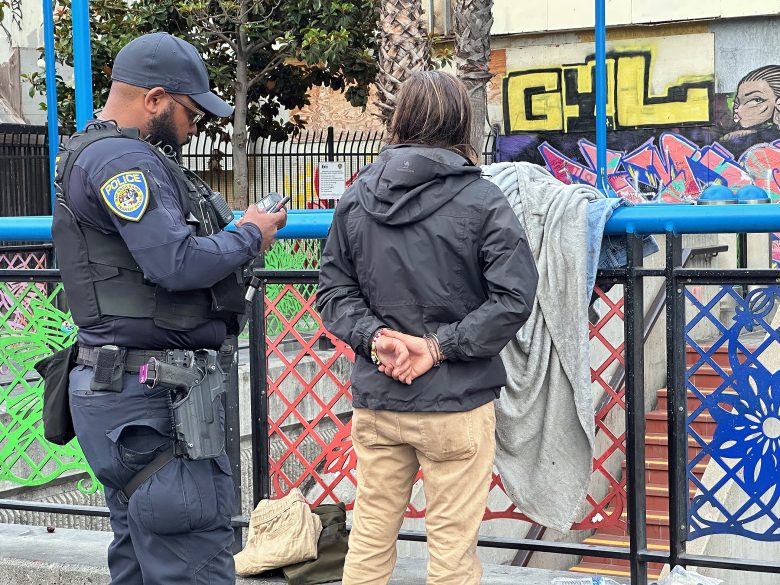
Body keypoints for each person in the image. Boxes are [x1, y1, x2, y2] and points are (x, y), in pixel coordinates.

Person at [51, 33, 286, 584]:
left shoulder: (90, 150)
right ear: (154, 99)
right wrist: (250, 233)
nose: (194, 126)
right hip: (152, 399)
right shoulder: (123, 159)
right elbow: (174, 262)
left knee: (138, 557)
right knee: (192, 560)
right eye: (190, 112)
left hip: (120, 392)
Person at [317, 71, 538, 585]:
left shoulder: (356, 197)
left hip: (379, 398)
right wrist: (437, 348)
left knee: (369, 539)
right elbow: (513, 298)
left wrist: (377, 339)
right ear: (462, 122)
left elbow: (333, 291)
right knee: (452, 554)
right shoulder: (483, 200)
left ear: (400, 118)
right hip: (456, 402)